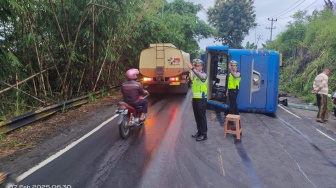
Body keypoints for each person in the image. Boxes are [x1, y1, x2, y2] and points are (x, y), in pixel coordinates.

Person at [186, 59, 208, 141]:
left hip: (201, 99)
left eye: (198, 66)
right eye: (195, 66)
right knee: (197, 117)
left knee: (202, 117)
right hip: (195, 99)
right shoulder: (195, 77)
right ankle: (199, 132)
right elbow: (194, 89)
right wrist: (192, 98)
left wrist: (192, 68)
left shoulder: (203, 75)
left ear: (201, 66)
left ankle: (204, 134)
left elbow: (200, 76)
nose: (196, 67)